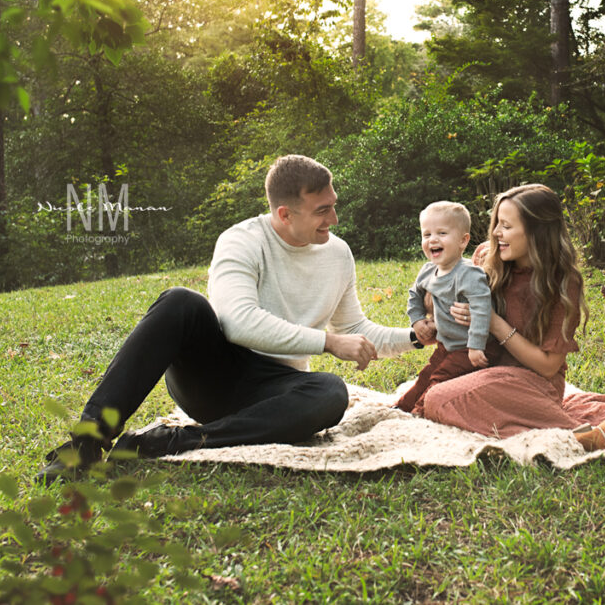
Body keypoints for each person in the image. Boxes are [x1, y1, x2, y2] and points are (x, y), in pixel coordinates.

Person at [36, 155, 416, 484]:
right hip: (214, 377)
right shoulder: (242, 241)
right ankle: (86, 444)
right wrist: (327, 342)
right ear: (285, 213)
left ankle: (168, 443)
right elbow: (239, 322)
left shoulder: (338, 255)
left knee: (331, 392)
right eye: (322, 210)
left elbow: (353, 330)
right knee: (180, 301)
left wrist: (416, 337)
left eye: (333, 205)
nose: (333, 218)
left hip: (276, 391)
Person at [420, 184, 605, 452]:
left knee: (439, 400)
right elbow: (453, 315)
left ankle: (575, 435)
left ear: (537, 232)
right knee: (433, 395)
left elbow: (547, 367)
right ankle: (562, 433)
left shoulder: (562, 284)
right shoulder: (486, 259)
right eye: (497, 223)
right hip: (484, 370)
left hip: (532, 384)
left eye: (506, 226)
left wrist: (494, 323)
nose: (496, 232)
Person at [395, 201, 492, 416]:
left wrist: (476, 346)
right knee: (426, 375)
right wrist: (418, 320)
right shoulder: (428, 270)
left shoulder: (469, 274)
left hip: (468, 349)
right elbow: (414, 295)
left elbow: (482, 309)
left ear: (462, 241)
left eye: (442, 233)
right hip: (446, 344)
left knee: (440, 379)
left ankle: (419, 414)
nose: (433, 240)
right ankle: (400, 409)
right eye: (426, 234)